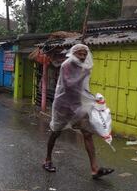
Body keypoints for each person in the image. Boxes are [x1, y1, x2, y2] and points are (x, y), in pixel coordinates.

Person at [43, 44, 114, 179]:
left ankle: (95, 168)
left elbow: (82, 88)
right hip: (63, 105)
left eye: (84, 54)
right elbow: (69, 85)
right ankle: (47, 160)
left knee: (87, 133)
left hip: (77, 105)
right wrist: (82, 73)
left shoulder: (84, 67)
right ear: (73, 53)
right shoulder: (66, 65)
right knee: (55, 132)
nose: (82, 57)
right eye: (79, 54)